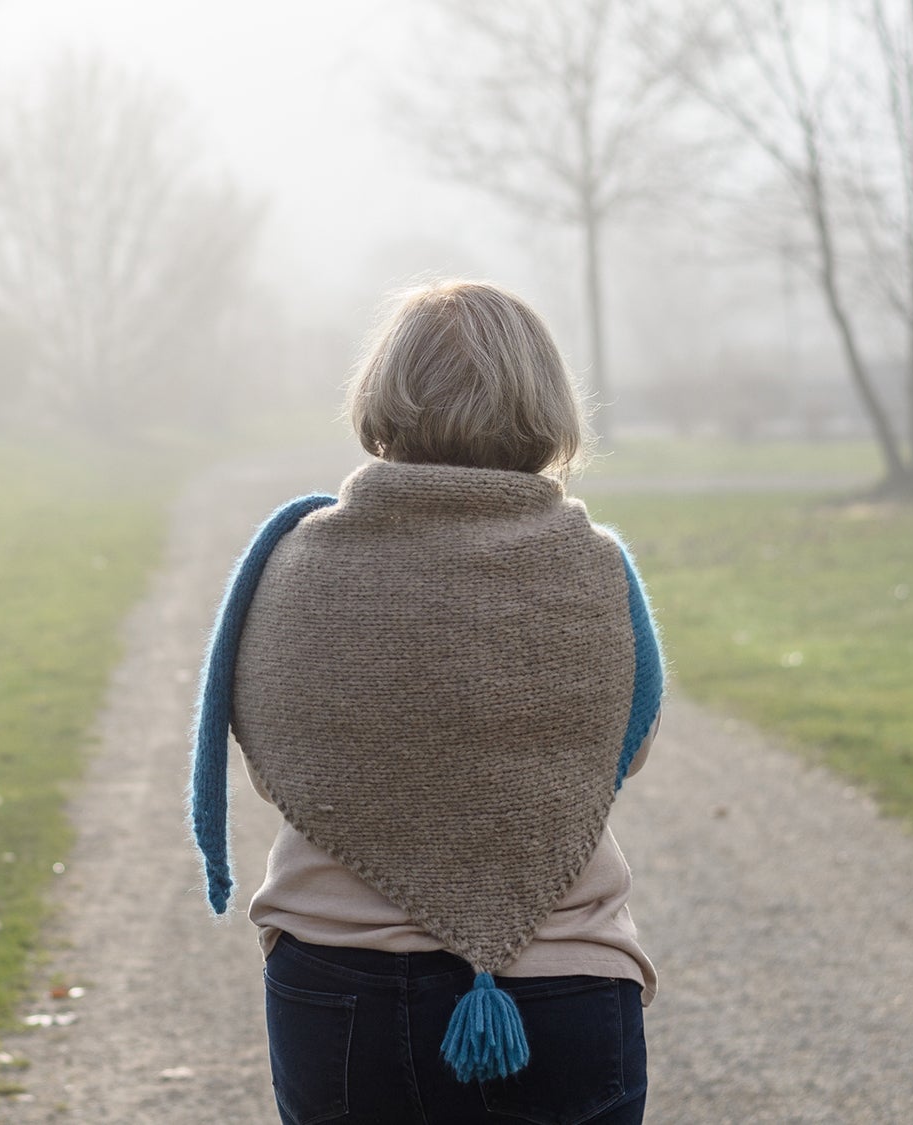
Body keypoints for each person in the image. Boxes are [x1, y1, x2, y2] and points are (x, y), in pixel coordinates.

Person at [190, 279, 664, 1125]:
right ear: (544, 402)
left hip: (340, 989)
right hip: (565, 986)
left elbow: (279, 754)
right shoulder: (597, 568)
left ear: (382, 397)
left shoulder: (294, 562)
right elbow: (622, 749)